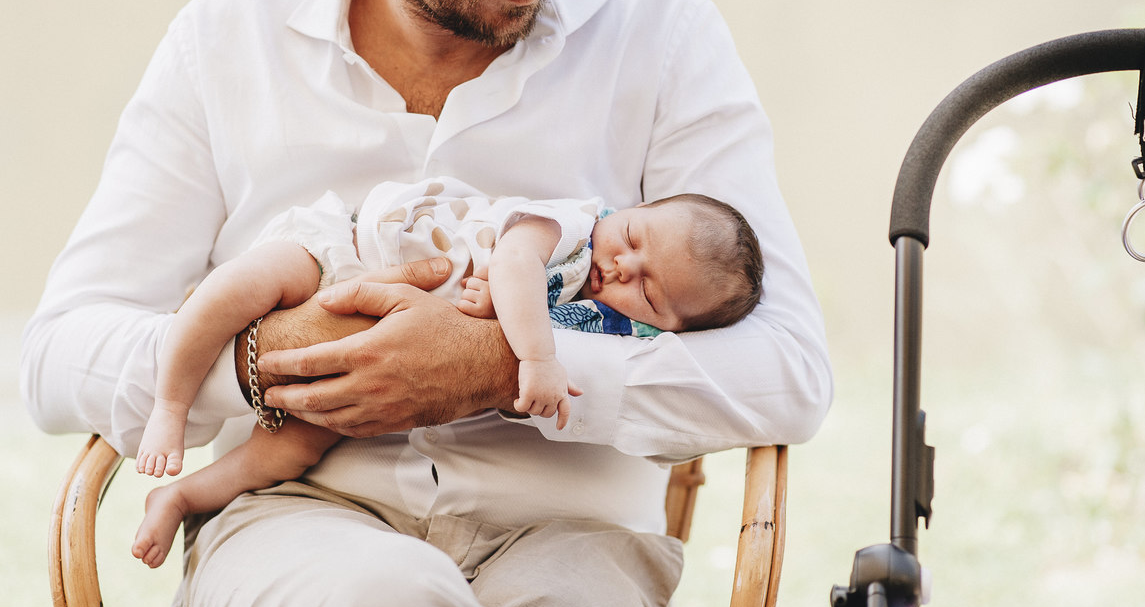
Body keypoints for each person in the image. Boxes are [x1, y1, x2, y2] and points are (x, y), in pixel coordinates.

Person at [21, 0, 833, 607]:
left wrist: (498, 366)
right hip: (295, 519)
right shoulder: (225, 43)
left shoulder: (663, 35)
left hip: (574, 538)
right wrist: (267, 358)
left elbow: (788, 367)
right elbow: (58, 358)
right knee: (391, 600)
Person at [131, 176, 764, 568]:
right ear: (628, 210)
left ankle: (183, 495)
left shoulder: (603, 322)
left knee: (288, 453)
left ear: (664, 328)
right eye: (633, 235)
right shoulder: (572, 226)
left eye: (650, 293)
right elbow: (515, 266)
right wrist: (537, 360)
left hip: (370, 379)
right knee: (237, 290)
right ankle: (171, 402)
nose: (623, 266)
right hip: (346, 252)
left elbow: (493, 310)